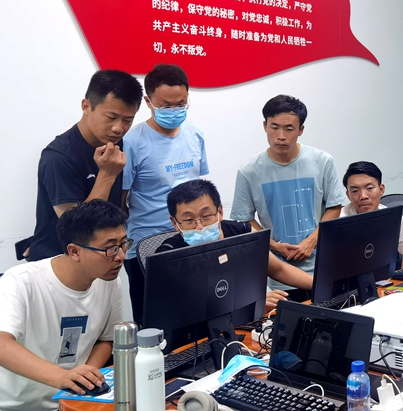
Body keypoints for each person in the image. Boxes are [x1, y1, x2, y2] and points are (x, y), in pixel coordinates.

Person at [0, 201, 127, 410]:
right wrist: (63, 377)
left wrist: (86, 378)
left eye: (124, 244)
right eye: (110, 248)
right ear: (74, 252)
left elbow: (107, 339)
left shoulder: (109, 282)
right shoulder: (21, 280)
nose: (121, 256)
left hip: (64, 403)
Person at [231, 95, 346, 301]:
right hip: (280, 275)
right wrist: (275, 246)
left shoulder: (322, 161)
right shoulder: (249, 172)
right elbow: (244, 221)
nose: (281, 136)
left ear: (301, 130)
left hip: (324, 265)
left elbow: (334, 207)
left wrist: (311, 241)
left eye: (289, 129)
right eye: (274, 127)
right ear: (265, 126)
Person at [121, 64, 209, 321]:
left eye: (181, 104)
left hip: (190, 240)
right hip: (146, 246)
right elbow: (120, 202)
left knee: (196, 317)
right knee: (153, 324)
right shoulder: (132, 142)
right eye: (166, 106)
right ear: (148, 102)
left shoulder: (194, 134)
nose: (175, 111)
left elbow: (198, 187)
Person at [28, 70, 142, 261]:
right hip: (60, 261)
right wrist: (107, 175)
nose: (118, 128)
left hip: (100, 257)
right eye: (111, 117)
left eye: (127, 120)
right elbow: (78, 228)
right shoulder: (58, 157)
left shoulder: (115, 142)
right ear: (86, 106)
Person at [156, 179, 313, 311]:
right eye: (189, 220)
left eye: (206, 216)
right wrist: (249, 304)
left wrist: (319, 285)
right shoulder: (168, 255)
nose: (200, 226)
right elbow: (177, 307)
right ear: (175, 223)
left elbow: (278, 269)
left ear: (220, 211)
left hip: (248, 322)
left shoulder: (242, 233)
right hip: (198, 332)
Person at [340, 161, 403, 267]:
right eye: (355, 191)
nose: (363, 196)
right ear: (348, 195)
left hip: (386, 276)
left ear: (381, 190)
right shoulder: (338, 222)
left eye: (369, 188)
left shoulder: (393, 218)